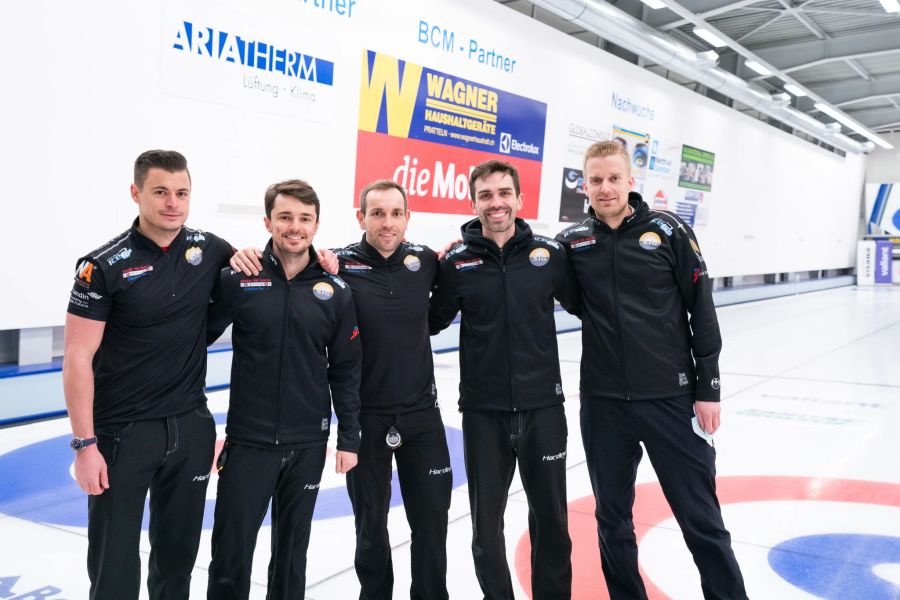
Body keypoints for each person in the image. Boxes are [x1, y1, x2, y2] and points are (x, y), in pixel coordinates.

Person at [555, 140, 747, 600]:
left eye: (614, 178)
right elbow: (557, 289)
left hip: (671, 400)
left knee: (701, 520)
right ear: (585, 184)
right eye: (596, 180)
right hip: (604, 407)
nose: (605, 188)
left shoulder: (669, 230)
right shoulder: (573, 242)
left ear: (630, 181)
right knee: (612, 521)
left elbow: (701, 309)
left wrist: (709, 387)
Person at [64, 149, 236, 600]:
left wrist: (324, 259)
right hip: (122, 433)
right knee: (114, 568)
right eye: (160, 192)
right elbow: (77, 356)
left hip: (190, 428)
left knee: (177, 563)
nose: (172, 202)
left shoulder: (211, 249)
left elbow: (270, 270)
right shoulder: (101, 265)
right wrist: (85, 445)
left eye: (181, 193)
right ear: (136, 192)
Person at [429, 160, 581, 600]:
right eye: (485, 195)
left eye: (503, 193)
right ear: (473, 201)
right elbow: (428, 321)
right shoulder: (456, 262)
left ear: (519, 198)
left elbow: (590, 306)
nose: (495, 203)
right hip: (484, 412)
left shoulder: (548, 256)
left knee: (552, 523)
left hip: (544, 409)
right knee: (485, 529)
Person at [206, 179, 361, 600]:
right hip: (249, 442)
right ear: (268, 221)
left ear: (316, 224)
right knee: (229, 555)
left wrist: (349, 437)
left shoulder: (335, 291)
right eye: (285, 217)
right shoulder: (240, 279)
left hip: (308, 444)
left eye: (304, 219)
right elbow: (195, 336)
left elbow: (346, 371)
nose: (295, 227)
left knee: (292, 556)